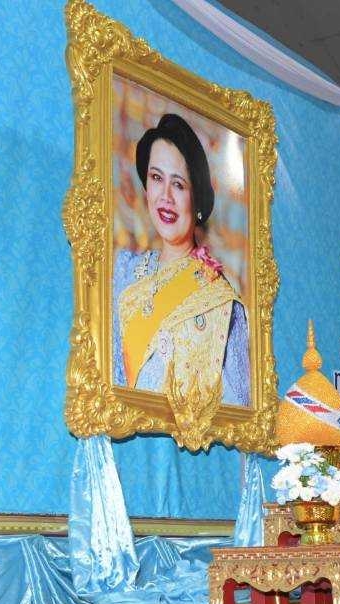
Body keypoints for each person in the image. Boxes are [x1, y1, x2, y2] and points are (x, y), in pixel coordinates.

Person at [114, 113, 250, 407]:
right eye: (156, 178)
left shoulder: (220, 298)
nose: (165, 196)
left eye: (178, 184)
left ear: (196, 199)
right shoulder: (122, 271)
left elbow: (239, 405)